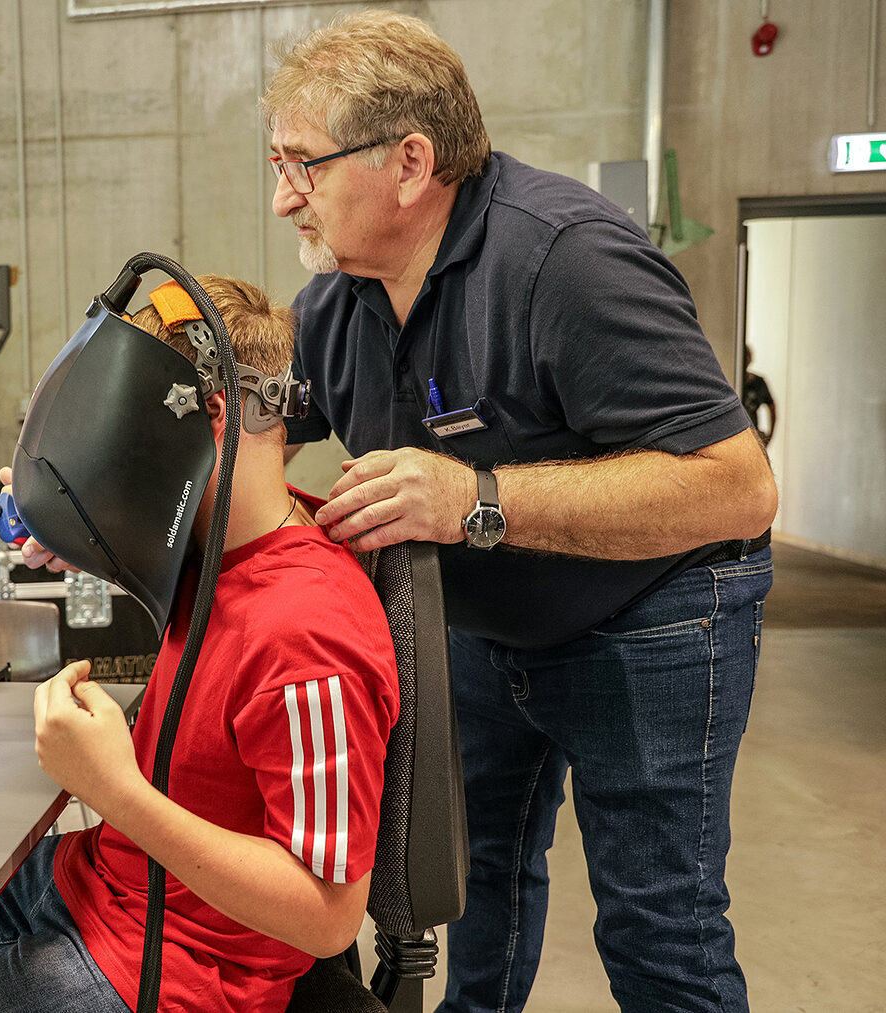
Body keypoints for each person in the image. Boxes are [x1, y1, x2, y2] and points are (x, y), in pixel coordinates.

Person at [260, 12, 778, 1013]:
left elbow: (735, 485)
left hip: (654, 613)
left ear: (408, 162)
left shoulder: (563, 260)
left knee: (655, 917)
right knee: (473, 872)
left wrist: (475, 498)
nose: (283, 197)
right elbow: (265, 437)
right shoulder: (337, 300)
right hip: (486, 624)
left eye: (301, 166)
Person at [0, 275, 400, 1013]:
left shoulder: (308, 631)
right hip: (95, 884)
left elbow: (327, 913)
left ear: (209, 416)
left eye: (128, 428)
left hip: (174, 964)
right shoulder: (225, 547)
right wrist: (83, 529)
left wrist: (116, 792)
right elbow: (183, 560)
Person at [742, 345, 777, 446]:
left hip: (752, 435)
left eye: (747, 356)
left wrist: (769, 437)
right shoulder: (731, 380)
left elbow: (772, 408)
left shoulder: (758, 383)